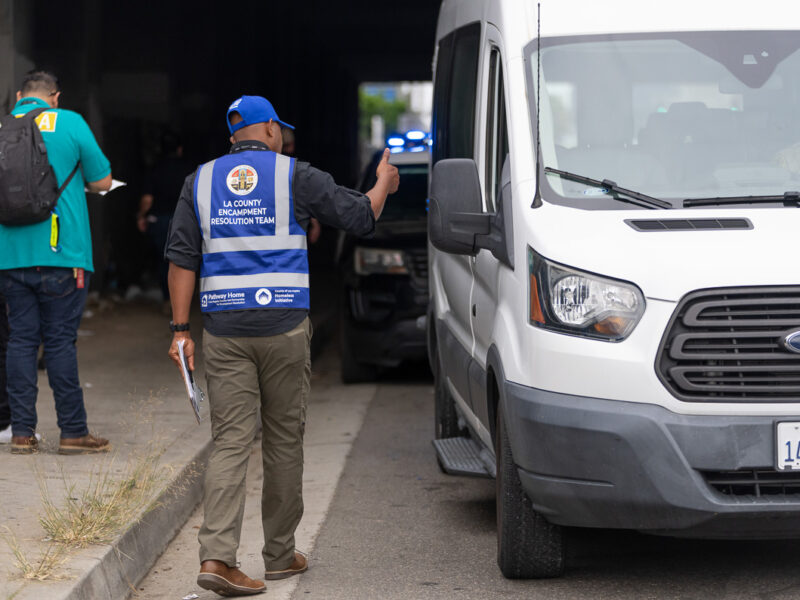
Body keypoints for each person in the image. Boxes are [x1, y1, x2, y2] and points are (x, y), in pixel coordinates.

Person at [165, 95, 398, 596]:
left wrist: (180, 331)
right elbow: (359, 216)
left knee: (230, 442)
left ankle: (217, 559)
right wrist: (384, 184)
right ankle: (278, 555)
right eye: (280, 130)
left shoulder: (199, 182)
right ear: (270, 130)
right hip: (284, 328)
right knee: (283, 440)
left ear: (234, 135)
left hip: (225, 332)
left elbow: (182, 257)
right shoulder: (294, 175)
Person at [0, 70, 113, 455]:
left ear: (19, 96)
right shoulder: (69, 122)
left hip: (11, 256)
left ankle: (21, 433)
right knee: (60, 342)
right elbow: (102, 180)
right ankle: (72, 432)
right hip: (62, 254)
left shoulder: (4, 127)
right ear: (55, 96)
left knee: (20, 341)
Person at [137, 131, 193, 303]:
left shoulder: (155, 169)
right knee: (187, 261)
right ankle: (185, 302)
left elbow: (147, 199)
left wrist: (141, 216)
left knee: (165, 262)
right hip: (185, 220)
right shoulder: (189, 170)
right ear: (180, 149)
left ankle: (169, 300)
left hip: (160, 220)